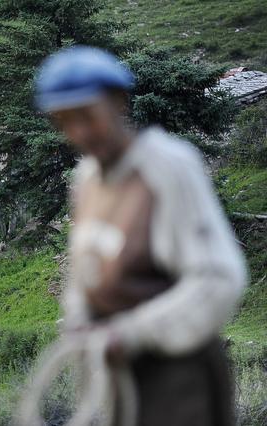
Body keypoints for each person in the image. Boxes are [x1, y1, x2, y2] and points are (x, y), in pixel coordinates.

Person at [21, 46, 247, 426]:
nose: (78, 132)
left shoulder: (168, 167)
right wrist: (79, 317)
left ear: (118, 102)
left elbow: (218, 279)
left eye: (87, 116)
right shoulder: (87, 179)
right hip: (120, 376)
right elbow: (86, 271)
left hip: (178, 379)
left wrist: (132, 333)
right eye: (63, 121)